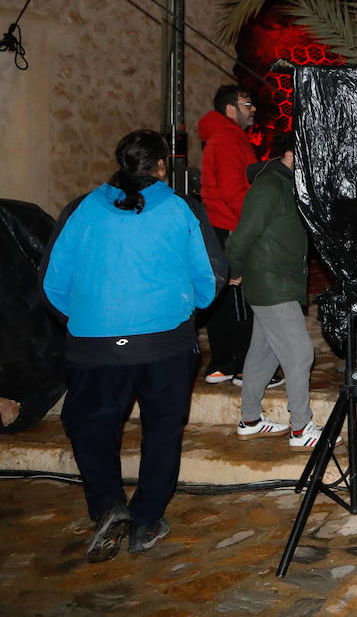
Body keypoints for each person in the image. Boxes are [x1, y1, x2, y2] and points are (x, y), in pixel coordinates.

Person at [43, 130, 225, 561]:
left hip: (95, 343)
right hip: (165, 341)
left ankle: (109, 504)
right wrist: (183, 313)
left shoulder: (82, 208)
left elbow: (53, 281)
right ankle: (147, 519)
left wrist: (90, 320)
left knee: (89, 425)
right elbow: (211, 275)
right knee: (162, 429)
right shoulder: (182, 208)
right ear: (162, 167)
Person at [228, 131, 326, 449]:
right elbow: (242, 236)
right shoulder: (269, 186)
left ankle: (250, 420)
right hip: (271, 282)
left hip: (278, 280)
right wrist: (234, 271)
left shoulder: (288, 184)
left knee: (264, 352)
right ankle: (301, 428)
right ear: (289, 155)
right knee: (300, 353)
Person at [197, 84, 258, 384]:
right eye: (247, 104)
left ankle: (224, 365)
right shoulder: (227, 138)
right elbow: (233, 190)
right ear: (230, 109)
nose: (253, 109)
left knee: (224, 299)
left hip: (224, 226)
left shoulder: (226, 136)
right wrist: (255, 223)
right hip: (232, 226)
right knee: (239, 300)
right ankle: (241, 365)